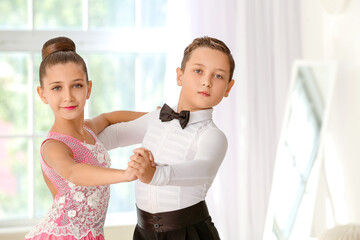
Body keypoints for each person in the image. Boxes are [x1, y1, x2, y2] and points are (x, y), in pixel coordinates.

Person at [98, 36, 235, 240]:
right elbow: (114, 136)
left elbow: (203, 169)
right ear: (180, 76)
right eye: (198, 71)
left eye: (218, 76)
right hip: (144, 232)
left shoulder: (213, 135)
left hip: (191, 233)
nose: (206, 81)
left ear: (228, 88)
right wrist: (78, 139)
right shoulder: (156, 119)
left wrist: (155, 174)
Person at [25, 36, 147, 240]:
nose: (68, 97)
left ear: (88, 88)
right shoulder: (53, 146)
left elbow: (109, 118)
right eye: (57, 88)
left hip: (92, 234)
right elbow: (73, 172)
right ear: (42, 94)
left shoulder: (89, 129)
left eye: (77, 85)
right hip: (62, 235)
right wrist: (125, 174)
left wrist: (155, 117)